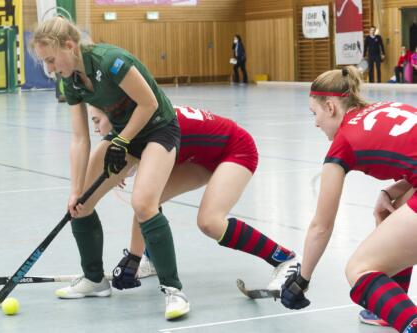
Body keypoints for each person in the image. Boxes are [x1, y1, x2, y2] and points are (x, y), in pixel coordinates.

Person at [29, 16, 189, 320]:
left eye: (51, 60)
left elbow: (149, 104)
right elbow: (79, 138)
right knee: (82, 204)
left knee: (143, 203)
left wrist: (122, 141)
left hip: (159, 130)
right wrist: (75, 190)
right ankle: (93, 279)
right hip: (124, 137)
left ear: (70, 46)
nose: (49, 69)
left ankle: (173, 290)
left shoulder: (111, 61)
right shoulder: (70, 81)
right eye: (44, 63)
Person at [88, 105, 300, 295]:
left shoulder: (146, 132)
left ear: (112, 113)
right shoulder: (136, 121)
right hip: (203, 156)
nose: (96, 129)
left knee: (209, 221)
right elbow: (143, 202)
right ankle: (152, 260)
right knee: (146, 200)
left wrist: (132, 260)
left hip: (236, 149)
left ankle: (284, 259)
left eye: (97, 121)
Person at [280, 66, 417, 333]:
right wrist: (390, 192)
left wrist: (302, 280)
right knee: (398, 209)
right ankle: (390, 306)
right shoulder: (384, 108)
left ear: (330, 107)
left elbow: (322, 226)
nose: (316, 123)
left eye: (315, 113)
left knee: (359, 268)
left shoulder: (343, 142)